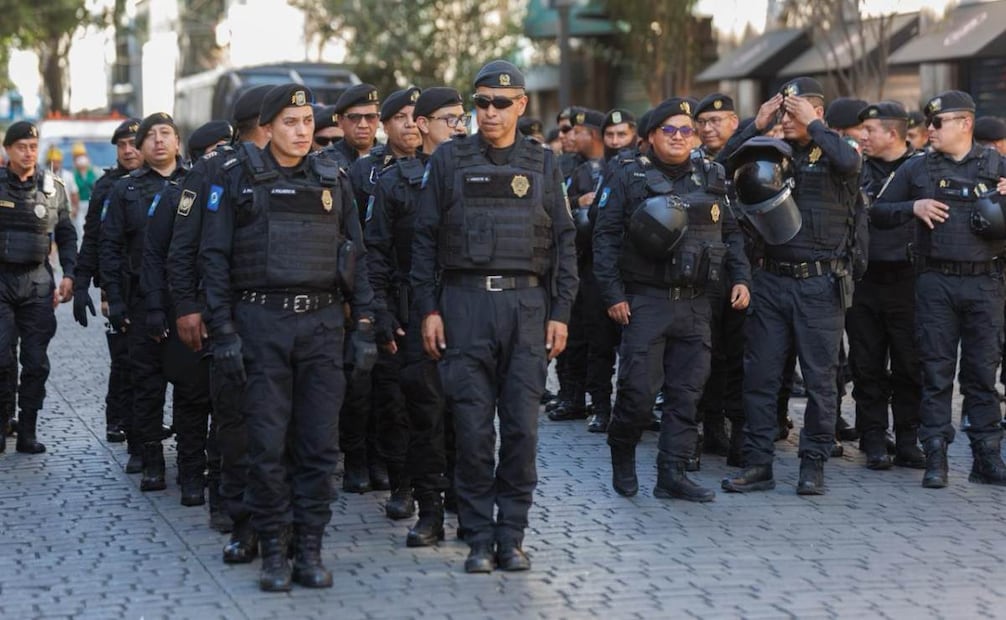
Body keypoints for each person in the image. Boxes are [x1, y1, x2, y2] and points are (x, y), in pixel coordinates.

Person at [199, 83, 375, 591]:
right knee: (266, 445)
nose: (301, 132)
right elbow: (214, 259)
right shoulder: (237, 178)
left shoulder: (334, 177)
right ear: (268, 127)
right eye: (290, 123)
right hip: (260, 325)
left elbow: (356, 257)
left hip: (320, 326)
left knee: (319, 444)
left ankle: (309, 549)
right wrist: (224, 333)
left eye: (306, 123)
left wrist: (364, 325)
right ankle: (273, 550)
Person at [411, 60, 578, 573]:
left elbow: (565, 242)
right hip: (464, 305)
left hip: (526, 308)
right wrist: (429, 310)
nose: (488, 112)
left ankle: (512, 535)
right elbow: (424, 240)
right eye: (481, 102)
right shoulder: (448, 161)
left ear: (522, 105)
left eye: (500, 103)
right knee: (473, 428)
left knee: (523, 430)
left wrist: (561, 312)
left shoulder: (544, 164)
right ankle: (479, 536)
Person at [594, 96, 750, 500]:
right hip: (646, 301)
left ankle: (672, 474)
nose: (680, 137)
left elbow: (731, 233)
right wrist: (613, 294)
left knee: (687, 393)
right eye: (670, 130)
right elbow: (605, 238)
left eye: (687, 130)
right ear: (650, 137)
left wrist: (742, 279)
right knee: (639, 393)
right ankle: (623, 453)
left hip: (698, 302)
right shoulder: (627, 175)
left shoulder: (711, 175)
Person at [719, 77, 861, 495]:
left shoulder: (838, 151)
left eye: (793, 110)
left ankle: (813, 462)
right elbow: (715, 168)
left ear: (816, 110)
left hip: (819, 283)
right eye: (783, 110)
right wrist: (754, 126)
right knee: (760, 377)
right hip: (771, 280)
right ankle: (758, 463)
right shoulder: (765, 149)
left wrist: (814, 124)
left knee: (821, 380)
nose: (787, 118)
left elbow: (851, 165)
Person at [871, 90, 1006, 488]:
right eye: (928, 123)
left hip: (985, 282)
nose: (929, 130)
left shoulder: (997, 165)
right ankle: (936, 457)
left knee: (982, 374)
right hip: (936, 282)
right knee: (935, 370)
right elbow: (875, 212)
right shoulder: (917, 169)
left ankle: (987, 458)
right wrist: (912, 208)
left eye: (937, 123)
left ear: (964, 123)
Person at [166, 84, 272, 547]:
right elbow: (183, 246)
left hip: (274, 312)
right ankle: (226, 503)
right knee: (229, 411)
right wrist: (188, 307)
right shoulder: (212, 170)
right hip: (222, 311)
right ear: (262, 124)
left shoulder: (297, 168)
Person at [366, 86, 468, 543]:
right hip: (415, 312)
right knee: (421, 414)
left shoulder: (477, 174)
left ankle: (466, 502)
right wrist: (383, 315)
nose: (461, 127)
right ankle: (427, 505)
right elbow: (376, 254)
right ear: (424, 125)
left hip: (470, 311)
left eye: (462, 119)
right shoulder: (394, 181)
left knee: (468, 413)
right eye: (451, 119)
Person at [99, 113, 187, 487]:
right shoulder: (126, 189)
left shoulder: (196, 182)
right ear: (140, 146)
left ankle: (190, 458)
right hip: (139, 300)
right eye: (150, 136)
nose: (159, 141)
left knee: (190, 386)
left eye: (166, 134)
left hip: (184, 300)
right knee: (146, 382)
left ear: (178, 142)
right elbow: (111, 247)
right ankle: (150, 456)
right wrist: (114, 300)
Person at [342, 86, 422, 495]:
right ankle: (362, 458)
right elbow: (355, 241)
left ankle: (400, 467)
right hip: (374, 289)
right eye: (401, 117)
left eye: (416, 116)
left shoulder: (438, 167)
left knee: (405, 394)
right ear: (386, 126)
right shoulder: (364, 171)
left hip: (417, 294)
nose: (411, 125)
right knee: (364, 388)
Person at [847, 101, 925, 471]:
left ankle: (908, 439)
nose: (862, 136)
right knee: (867, 363)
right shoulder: (854, 168)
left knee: (911, 363)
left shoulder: (923, 167)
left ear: (892, 133)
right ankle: (874, 437)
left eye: (869, 130)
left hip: (909, 280)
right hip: (864, 279)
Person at [0, 121, 77, 454]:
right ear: (8, 150)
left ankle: (28, 429)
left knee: (35, 362)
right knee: (2, 359)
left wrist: (70, 274)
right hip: (1, 281)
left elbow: (66, 234)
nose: (28, 152)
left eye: (33, 146)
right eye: (21, 146)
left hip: (37, 283)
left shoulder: (53, 187)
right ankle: (3, 423)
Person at [72, 118, 142, 447]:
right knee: (123, 359)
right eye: (122, 145)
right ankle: (117, 419)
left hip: (156, 287)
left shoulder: (173, 180)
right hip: (117, 287)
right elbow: (92, 239)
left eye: (133, 143)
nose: (128, 150)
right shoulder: (105, 187)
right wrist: (81, 282)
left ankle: (144, 423)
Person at [693, 93, 747, 464]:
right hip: (703, 275)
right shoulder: (692, 165)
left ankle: (738, 428)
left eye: (718, 121)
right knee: (701, 357)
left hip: (744, 271)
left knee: (740, 357)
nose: (710, 128)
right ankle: (706, 428)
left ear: (734, 122)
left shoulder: (755, 156)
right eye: (704, 122)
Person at [549, 107, 605, 423]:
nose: (568, 136)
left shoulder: (611, 166)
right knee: (573, 335)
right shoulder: (561, 165)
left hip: (600, 264)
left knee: (598, 340)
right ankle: (570, 395)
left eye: (575, 130)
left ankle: (599, 403)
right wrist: (576, 203)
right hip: (572, 262)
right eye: (565, 130)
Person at [325, 83, 381, 167]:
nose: (363, 125)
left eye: (370, 117)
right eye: (354, 117)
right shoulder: (323, 160)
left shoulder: (393, 158)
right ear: (340, 121)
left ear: (378, 119)